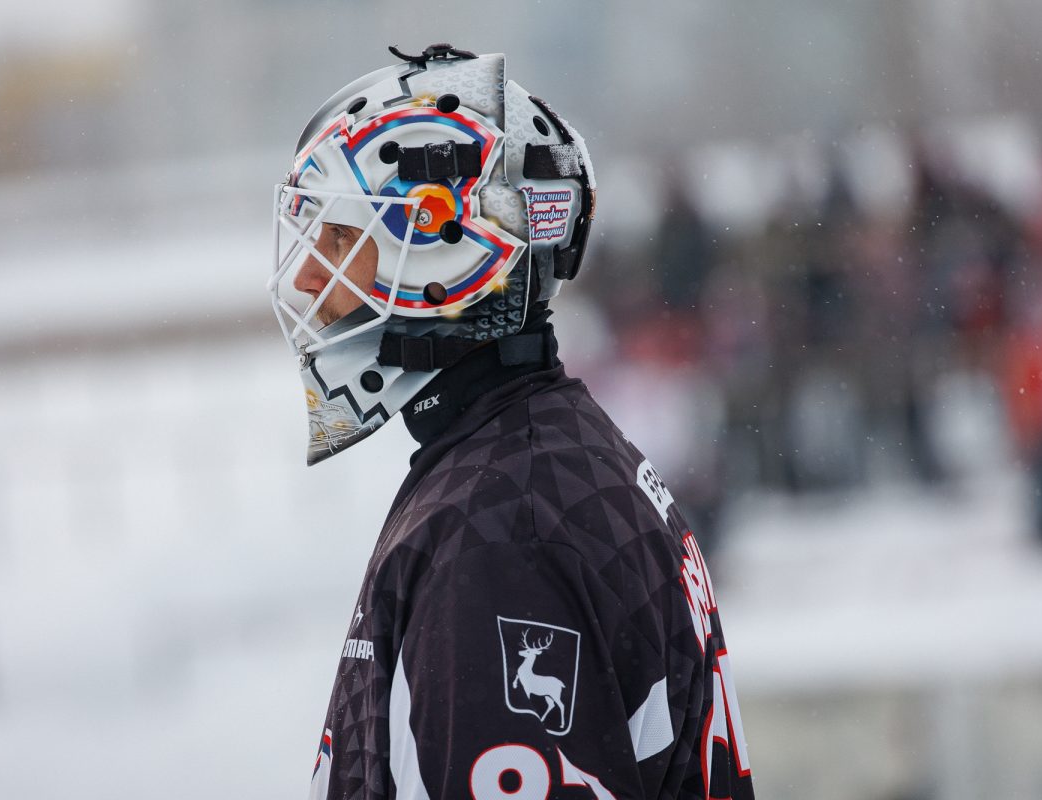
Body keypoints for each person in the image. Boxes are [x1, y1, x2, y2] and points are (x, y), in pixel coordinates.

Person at [268, 44, 755, 799]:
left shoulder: (501, 533)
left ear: (440, 255)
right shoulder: (538, 456)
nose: (306, 279)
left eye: (338, 238)